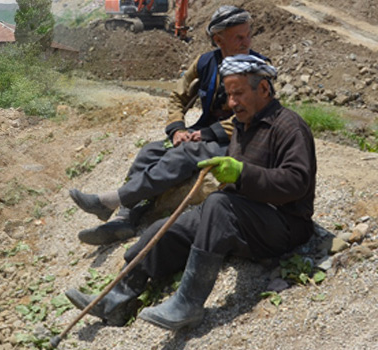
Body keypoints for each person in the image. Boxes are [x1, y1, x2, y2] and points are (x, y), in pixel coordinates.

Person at [63, 55, 317, 331]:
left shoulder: (289, 127)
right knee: (167, 229)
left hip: (284, 226)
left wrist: (242, 174)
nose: (232, 103)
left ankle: (188, 304)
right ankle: (115, 299)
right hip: (244, 219)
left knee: (219, 204)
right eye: (229, 94)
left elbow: (297, 182)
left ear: (264, 89)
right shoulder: (243, 126)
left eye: (239, 93)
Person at [68, 6, 268, 245]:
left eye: (248, 35)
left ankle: (110, 201)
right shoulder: (204, 63)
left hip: (239, 140)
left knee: (186, 153)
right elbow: (177, 96)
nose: (246, 41)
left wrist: (202, 134)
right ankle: (126, 217)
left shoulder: (259, 68)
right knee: (149, 151)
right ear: (218, 40)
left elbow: (252, 116)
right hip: (203, 134)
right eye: (239, 37)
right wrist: (178, 130)